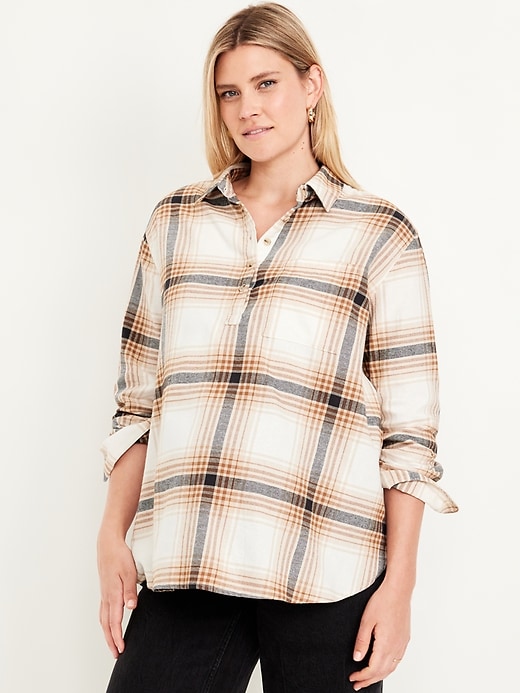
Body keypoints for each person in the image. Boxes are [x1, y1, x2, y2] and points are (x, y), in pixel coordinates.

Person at [97, 3, 458, 692]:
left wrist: (400, 584)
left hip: (325, 567)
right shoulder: (175, 222)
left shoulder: (380, 235)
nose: (248, 109)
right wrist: (111, 536)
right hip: (190, 559)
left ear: (311, 85)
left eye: (267, 84)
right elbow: (136, 403)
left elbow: (409, 437)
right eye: (229, 92)